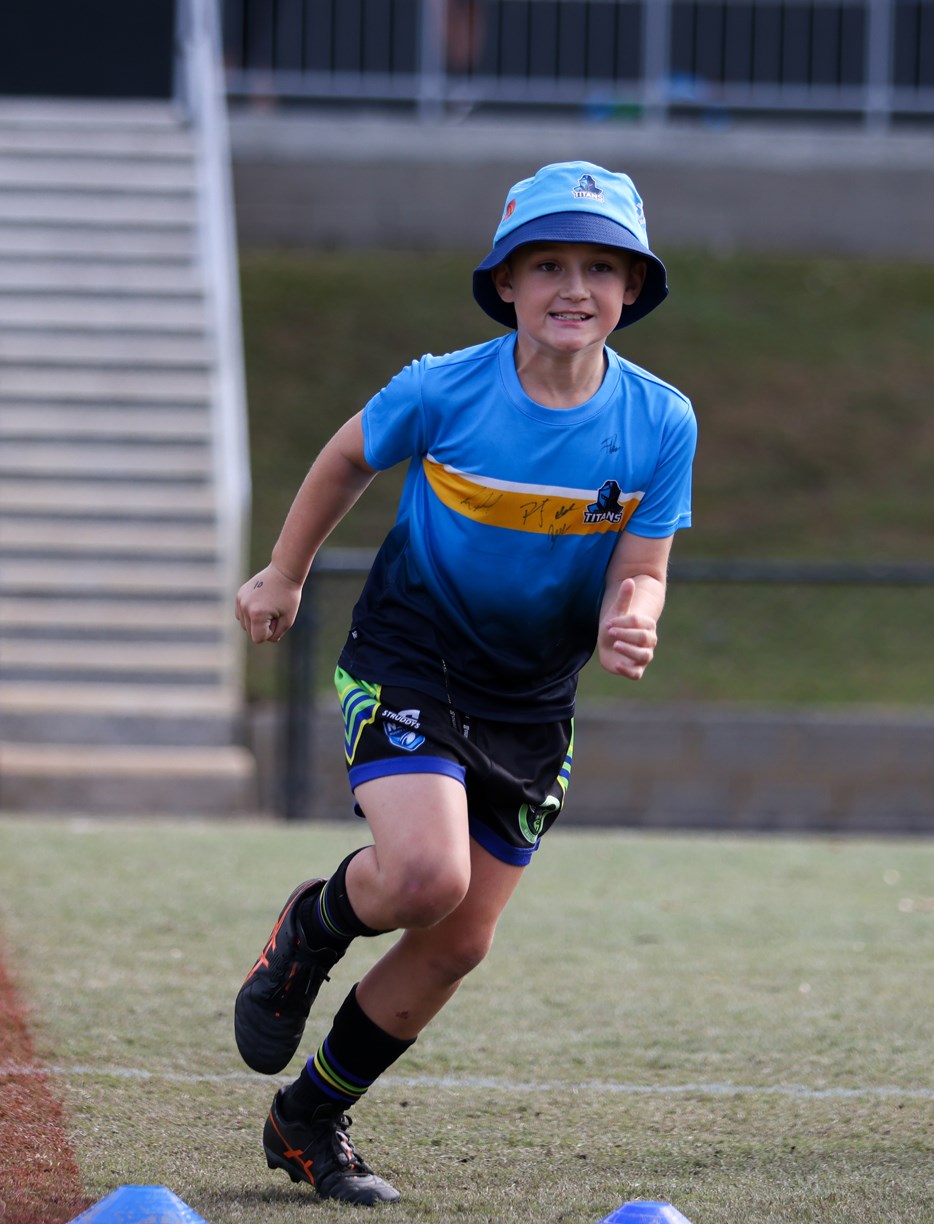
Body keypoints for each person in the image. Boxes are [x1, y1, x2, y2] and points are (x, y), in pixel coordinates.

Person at [233, 160, 697, 1206]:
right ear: (505, 284)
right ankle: (310, 931)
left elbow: (643, 567)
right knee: (423, 877)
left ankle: (307, 1117)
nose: (573, 287)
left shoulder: (661, 421)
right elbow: (345, 459)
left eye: (599, 267)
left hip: (531, 700)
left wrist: (632, 614)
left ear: (631, 288)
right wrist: (283, 573)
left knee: (457, 943)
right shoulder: (444, 387)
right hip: (412, 657)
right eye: (547, 265)